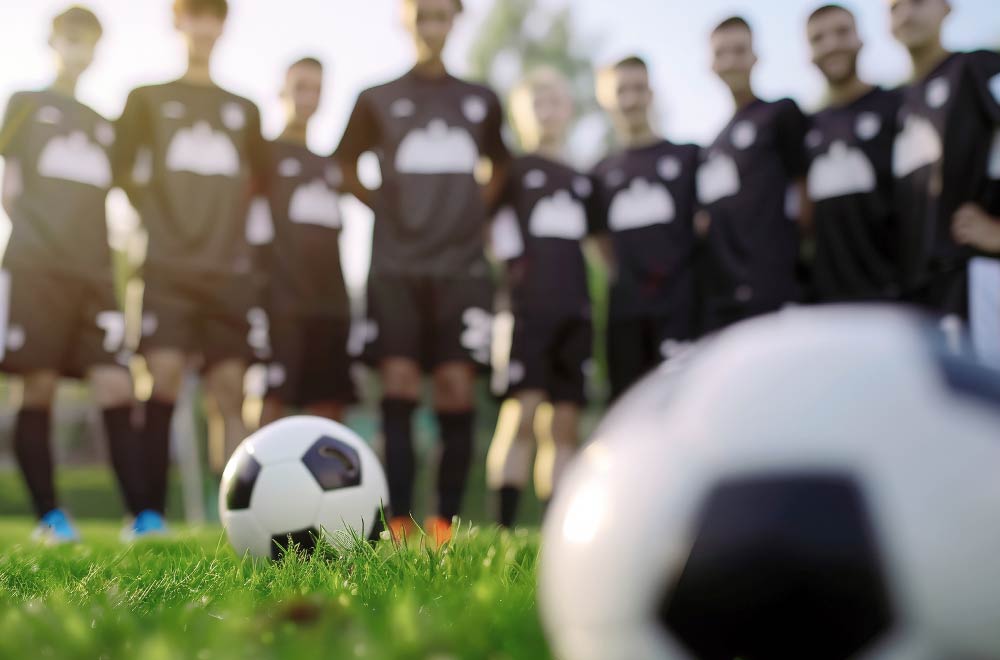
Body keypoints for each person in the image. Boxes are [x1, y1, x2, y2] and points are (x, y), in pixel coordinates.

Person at [335, 0, 509, 546]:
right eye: (422, 15)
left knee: (457, 388)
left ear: (457, 22)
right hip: (396, 266)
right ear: (405, 22)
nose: (432, 26)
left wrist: (471, 212)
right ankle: (399, 520)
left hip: (461, 269)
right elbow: (343, 165)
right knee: (400, 382)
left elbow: (502, 165)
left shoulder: (480, 100)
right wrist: (389, 209)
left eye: (442, 15)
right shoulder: (375, 98)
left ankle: (445, 524)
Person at [113, 0, 268, 532]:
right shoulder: (146, 99)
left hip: (228, 273)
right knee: (163, 380)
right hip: (163, 268)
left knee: (230, 390)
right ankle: (149, 514)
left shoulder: (244, 109)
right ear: (177, 22)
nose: (203, 26)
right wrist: (162, 224)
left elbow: (257, 187)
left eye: (213, 15)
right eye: (193, 14)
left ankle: (239, 518)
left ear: (223, 26)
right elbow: (121, 173)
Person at [0, 5, 145, 543]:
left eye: (89, 40)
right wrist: (44, 245)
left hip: (95, 275)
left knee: (114, 384)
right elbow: (9, 189)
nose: (79, 48)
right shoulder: (25, 103)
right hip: (37, 268)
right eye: (71, 38)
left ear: (97, 50)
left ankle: (143, 517)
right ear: (54, 42)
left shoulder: (103, 124)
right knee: (37, 388)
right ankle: (50, 518)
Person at [485, 68, 593, 527]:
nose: (547, 112)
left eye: (555, 102)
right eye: (537, 103)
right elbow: (486, 225)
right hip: (526, 311)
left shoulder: (581, 178)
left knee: (564, 423)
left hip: (576, 310)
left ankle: (555, 531)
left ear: (568, 110)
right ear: (521, 114)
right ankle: (501, 530)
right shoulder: (512, 170)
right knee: (522, 414)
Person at [888, 0, 1000, 365]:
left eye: (918, 2)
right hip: (920, 297)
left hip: (974, 281)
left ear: (946, 8)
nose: (906, 14)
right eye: (894, 7)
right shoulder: (901, 102)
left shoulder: (978, 67)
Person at [590, 56, 700, 399]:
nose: (631, 99)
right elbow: (599, 245)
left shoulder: (689, 157)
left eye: (639, 88)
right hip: (625, 318)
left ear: (651, 93)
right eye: (622, 90)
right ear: (606, 99)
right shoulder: (599, 173)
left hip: (682, 314)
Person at [255, 57, 356, 425]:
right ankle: (250, 484)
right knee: (270, 400)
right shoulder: (261, 153)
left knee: (331, 409)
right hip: (279, 303)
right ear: (281, 90)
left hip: (331, 305)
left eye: (316, 90)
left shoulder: (330, 165)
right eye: (301, 87)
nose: (308, 97)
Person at [697, 16, 810, 331]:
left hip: (776, 290)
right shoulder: (711, 148)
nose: (731, 60)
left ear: (755, 57)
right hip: (724, 301)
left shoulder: (781, 114)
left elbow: (806, 197)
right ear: (711, 64)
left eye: (739, 50)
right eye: (722, 53)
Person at [804, 4, 901, 302]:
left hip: (896, 294)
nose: (831, 44)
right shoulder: (804, 127)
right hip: (828, 303)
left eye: (842, 32)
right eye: (819, 38)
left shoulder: (898, 105)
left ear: (860, 38)